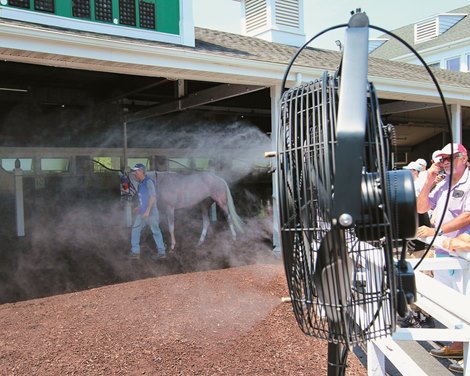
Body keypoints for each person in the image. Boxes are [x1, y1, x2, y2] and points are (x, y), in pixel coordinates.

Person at [416, 143, 470, 362]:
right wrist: (428, 180)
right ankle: (458, 346)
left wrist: (435, 230)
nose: (446, 162)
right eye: (442, 159)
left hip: (462, 253)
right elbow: (421, 208)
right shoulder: (442, 184)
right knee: (451, 305)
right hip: (443, 252)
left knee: (465, 304)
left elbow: (467, 216)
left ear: (464, 158)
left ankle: (464, 352)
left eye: (451, 158)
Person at [128, 163, 166, 260]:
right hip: (143, 212)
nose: (134, 173)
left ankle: (162, 253)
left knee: (155, 231)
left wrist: (148, 211)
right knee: (135, 229)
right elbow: (144, 199)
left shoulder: (149, 182)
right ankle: (135, 252)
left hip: (151, 212)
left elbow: (153, 197)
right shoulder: (140, 184)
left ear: (141, 171)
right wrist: (139, 207)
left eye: (136, 171)